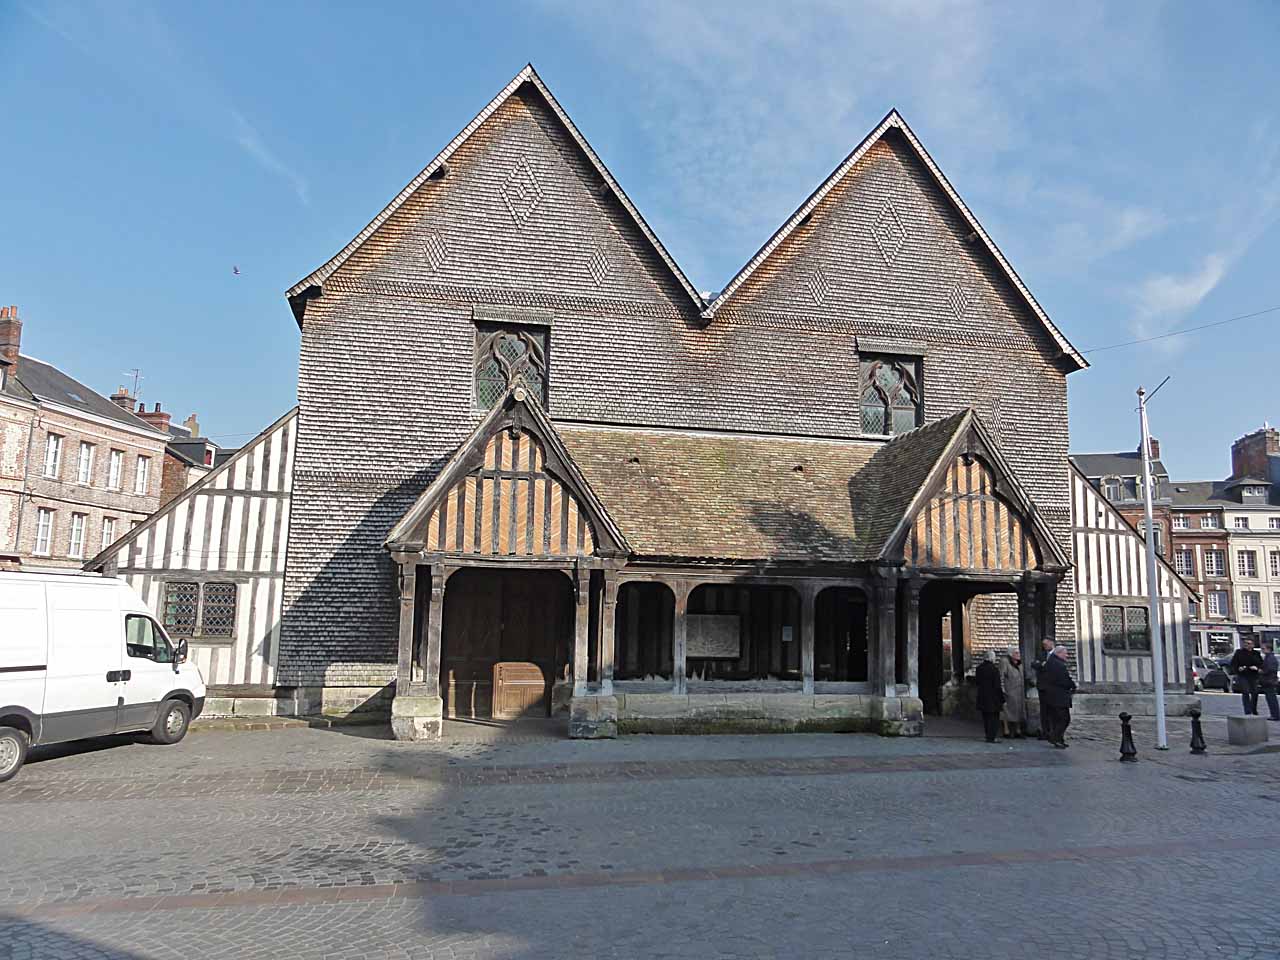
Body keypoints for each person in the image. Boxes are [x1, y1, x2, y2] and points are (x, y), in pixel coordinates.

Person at [1039, 645, 1076, 748]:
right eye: (1065, 653)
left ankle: (1059, 739)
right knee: (1064, 719)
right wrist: (1072, 685)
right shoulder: (1059, 665)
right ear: (1059, 653)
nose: (1067, 655)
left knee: (1057, 719)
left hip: (1051, 696)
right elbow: (1064, 680)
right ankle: (1055, 737)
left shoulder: (1050, 663)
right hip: (1059, 697)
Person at [975, 651, 1005, 743]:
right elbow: (997, 686)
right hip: (993, 697)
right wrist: (1002, 698)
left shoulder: (979, 668)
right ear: (992, 658)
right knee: (994, 718)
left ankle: (988, 735)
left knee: (986, 718)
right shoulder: (994, 669)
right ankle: (992, 737)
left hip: (983, 696)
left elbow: (977, 682)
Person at [1230, 638, 1264, 716]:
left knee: (1255, 692)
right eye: (1245, 643)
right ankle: (1247, 710)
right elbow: (1233, 663)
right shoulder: (1239, 652)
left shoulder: (1256, 653)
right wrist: (1238, 668)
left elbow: (1261, 663)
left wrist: (1257, 668)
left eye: (1249, 643)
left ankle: (1253, 709)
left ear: (1252, 645)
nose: (1246, 645)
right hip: (1243, 675)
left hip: (1253, 675)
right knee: (1245, 692)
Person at [999, 648, 1026, 738]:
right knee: (1007, 710)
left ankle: (1017, 730)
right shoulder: (1005, 662)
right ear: (1011, 654)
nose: (1018, 654)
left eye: (1019, 653)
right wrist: (1002, 689)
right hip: (1009, 690)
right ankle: (1006, 730)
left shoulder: (1020, 664)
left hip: (1019, 690)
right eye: (1016, 653)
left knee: (1019, 709)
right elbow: (1001, 676)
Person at [1031, 637, 1054, 739]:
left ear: (1051, 643)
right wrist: (1042, 665)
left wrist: (1045, 665)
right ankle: (1045, 732)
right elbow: (1034, 664)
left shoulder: (1056, 654)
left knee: (1053, 710)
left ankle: (1053, 732)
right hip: (1043, 687)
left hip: (1053, 688)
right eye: (1043, 645)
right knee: (1044, 711)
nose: (1044, 647)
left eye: (1046, 644)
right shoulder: (1042, 655)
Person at [1261, 642, 1280, 722]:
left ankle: (1275, 715)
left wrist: (1261, 671)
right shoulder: (1268, 657)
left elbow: (1270, 669)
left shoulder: (1270, 658)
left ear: (1268, 649)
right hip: (1269, 680)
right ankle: (1274, 714)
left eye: (1263, 648)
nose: (1262, 650)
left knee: (1271, 698)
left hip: (1269, 681)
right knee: (1270, 698)